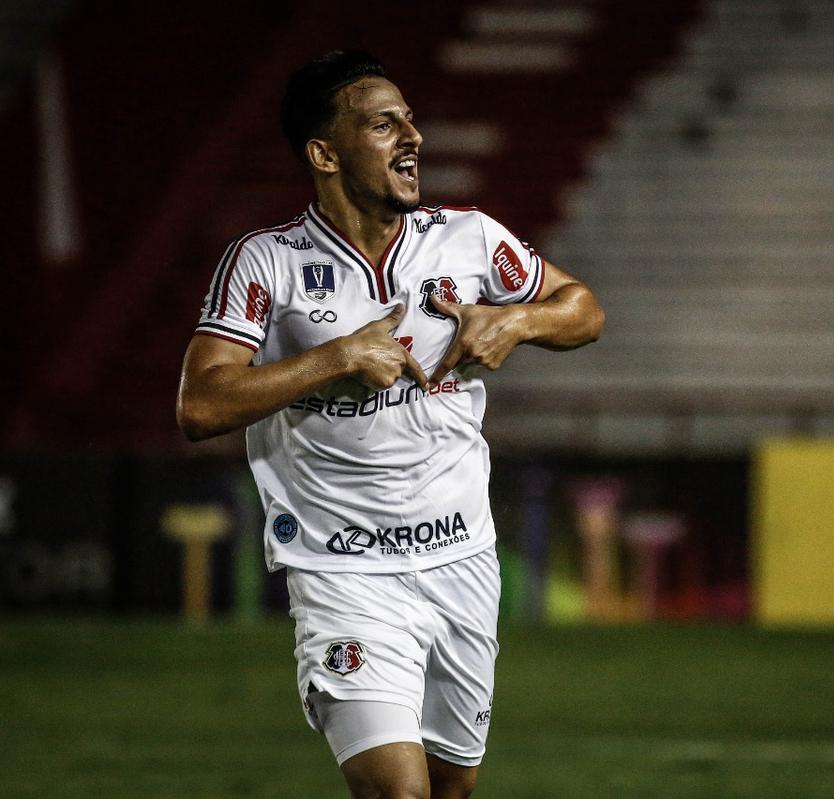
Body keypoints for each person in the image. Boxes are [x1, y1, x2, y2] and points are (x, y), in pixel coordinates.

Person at [176, 51, 604, 798]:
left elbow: (585, 310)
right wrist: (336, 356)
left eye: (410, 119)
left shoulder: (466, 238)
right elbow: (201, 405)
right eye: (384, 123)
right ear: (325, 152)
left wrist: (518, 322)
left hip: (462, 557)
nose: (414, 137)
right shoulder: (266, 263)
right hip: (342, 570)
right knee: (396, 791)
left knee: (449, 789)